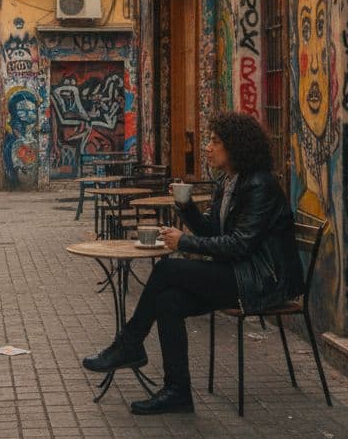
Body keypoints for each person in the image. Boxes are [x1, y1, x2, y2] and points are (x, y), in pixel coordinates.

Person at [81, 112, 305, 414]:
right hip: (238, 273)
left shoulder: (259, 185)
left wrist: (183, 242)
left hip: (262, 280)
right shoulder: (228, 181)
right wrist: (185, 207)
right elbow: (212, 231)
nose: (208, 147)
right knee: (168, 300)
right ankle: (177, 392)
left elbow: (239, 244)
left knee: (168, 269)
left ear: (235, 147)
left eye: (215, 141)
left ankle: (130, 343)